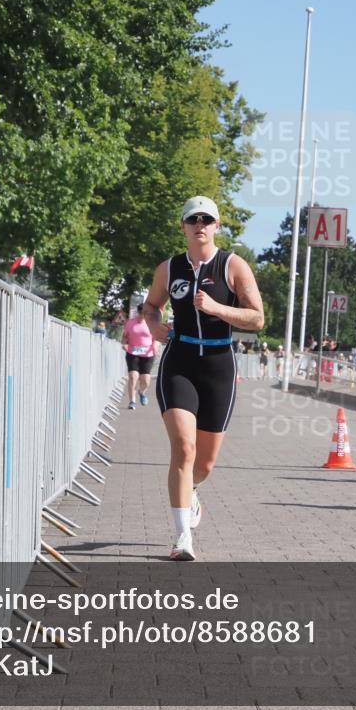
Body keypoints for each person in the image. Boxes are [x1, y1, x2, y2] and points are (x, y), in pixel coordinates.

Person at [142, 195, 265, 560]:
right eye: (193, 219)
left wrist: (216, 308)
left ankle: (192, 490)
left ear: (216, 226)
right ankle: (182, 538)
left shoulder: (233, 266)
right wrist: (153, 325)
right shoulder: (169, 268)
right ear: (182, 226)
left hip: (218, 363)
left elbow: (257, 319)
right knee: (184, 447)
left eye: (207, 219)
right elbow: (150, 305)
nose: (200, 225)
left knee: (205, 463)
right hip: (179, 360)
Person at [122, 304, 159, 410]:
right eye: (141, 313)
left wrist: (155, 345)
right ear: (138, 312)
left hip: (148, 353)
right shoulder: (130, 323)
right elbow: (124, 337)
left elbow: (156, 337)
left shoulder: (151, 323)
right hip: (132, 352)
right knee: (133, 377)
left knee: (146, 379)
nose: (143, 316)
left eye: (146, 314)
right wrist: (124, 344)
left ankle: (142, 392)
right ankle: (132, 401)